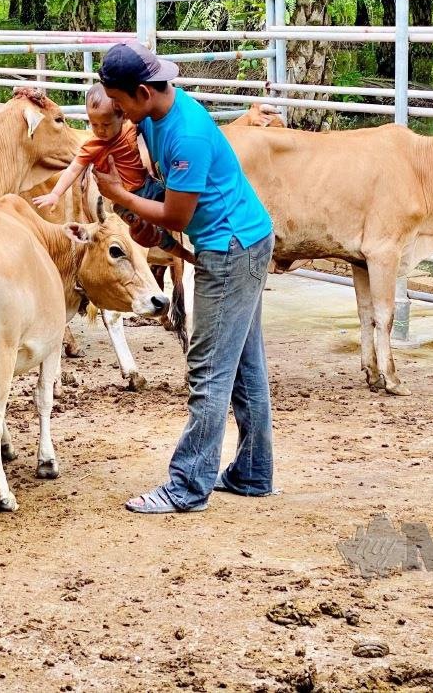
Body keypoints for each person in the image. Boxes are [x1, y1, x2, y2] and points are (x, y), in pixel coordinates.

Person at [94, 42, 276, 513]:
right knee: (243, 365)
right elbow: (167, 194)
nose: (118, 113)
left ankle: (187, 485)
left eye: (119, 103)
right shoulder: (152, 119)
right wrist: (138, 202)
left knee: (209, 368)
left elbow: (176, 214)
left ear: (141, 91)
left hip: (231, 249)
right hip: (241, 239)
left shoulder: (187, 133)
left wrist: (125, 198)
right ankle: (253, 472)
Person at [32, 83, 195, 263]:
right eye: (94, 125)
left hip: (147, 185)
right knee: (155, 235)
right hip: (123, 204)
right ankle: (185, 256)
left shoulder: (131, 127)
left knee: (179, 208)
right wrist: (55, 193)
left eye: (106, 124)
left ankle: (202, 230)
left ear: (122, 115)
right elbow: (73, 169)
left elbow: (154, 123)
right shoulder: (93, 146)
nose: (100, 130)